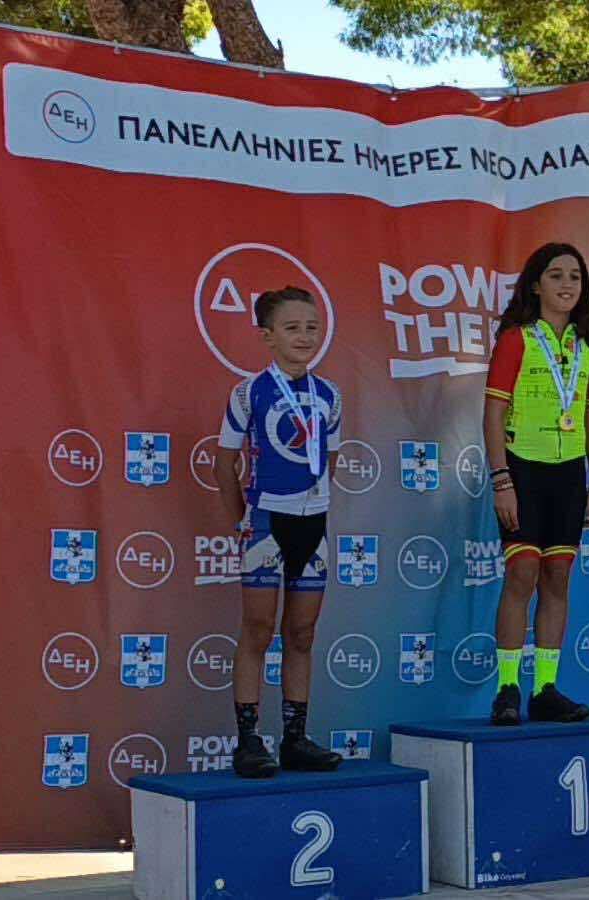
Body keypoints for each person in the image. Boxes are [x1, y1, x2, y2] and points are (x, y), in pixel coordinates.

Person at [213, 286, 344, 778]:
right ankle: (248, 740)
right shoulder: (248, 392)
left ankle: (295, 738)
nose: (304, 337)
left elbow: (330, 460)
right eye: (292, 328)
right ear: (267, 337)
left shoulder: (330, 394)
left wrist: (316, 503)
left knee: (302, 633)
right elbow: (223, 463)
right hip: (266, 519)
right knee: (257, 628)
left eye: (312, 327)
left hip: (313, 522)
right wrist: (241, 519)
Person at [483, 242, 589, 725]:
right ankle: (507, 687)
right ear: (536, 285)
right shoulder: (516, 338)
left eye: (575, 276)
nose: (566, 285)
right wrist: (501, 479)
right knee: (522, 573)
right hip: (522, 469)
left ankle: (546, 688)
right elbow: (493, 412)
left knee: (558, 576)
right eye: (556, 276)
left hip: (569, 473)